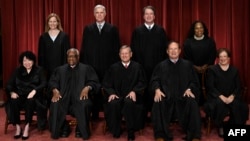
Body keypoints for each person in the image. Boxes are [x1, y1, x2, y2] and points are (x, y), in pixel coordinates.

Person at [150, 41, 201, 141]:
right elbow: (154, 80)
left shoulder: (187, 65)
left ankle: (194, 135)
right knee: (158, 102)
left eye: (175, 49)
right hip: (166, 96)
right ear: (167, 51)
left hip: (183, 96)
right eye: (171, 49)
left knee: (192, 102)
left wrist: (189, 89)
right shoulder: (161, 66)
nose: (173, 51)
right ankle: (160, 135)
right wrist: (157, 89)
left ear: (180, 51)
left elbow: (194, 81)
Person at [48, 48, 100, 140]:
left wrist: (87, 87)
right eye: (69, 57)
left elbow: (95, 82)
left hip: (80, 97)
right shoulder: (60, 70)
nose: (70, 59)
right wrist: (55, 90)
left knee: (85, 104)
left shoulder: (86, 69)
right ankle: (63, 128)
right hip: (63, 97)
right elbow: (53, 81)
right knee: (55, 104)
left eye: (73, 56)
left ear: (78, 57)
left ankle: (80, 129)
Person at [80, 4, 121, 120]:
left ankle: (108, 116)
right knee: (93, 88)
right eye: (97, 13)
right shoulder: (88, 29)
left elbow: (116, 49)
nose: (99, 15)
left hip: (108, 65)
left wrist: (114, 67)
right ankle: (94, 114)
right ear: (94, 14)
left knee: (107, 88)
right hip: (92, 65)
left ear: (105, 14)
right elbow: (85, 48)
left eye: (101, 12)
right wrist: (86, 66)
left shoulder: (112, 29)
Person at [130, 5, 169, 121]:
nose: (148, 16)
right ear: (143, 16)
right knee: (142, 90)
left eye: (151, 14)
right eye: (146, 14)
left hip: (157, 67)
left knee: (156, 88)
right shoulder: (137, 31)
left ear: (154, 16)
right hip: (141, 66)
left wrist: (162, 67)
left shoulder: (160, 31)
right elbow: (134, 50)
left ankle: (156, 115)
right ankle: (142, 115)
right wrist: (137, 67)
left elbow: (164, 50)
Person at [102, 45, 147, 141]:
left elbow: (142, 82)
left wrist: (134, 91)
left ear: (131, 54)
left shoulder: (137, 67)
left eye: (126, 53)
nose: (124, 55)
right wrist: (112, 93)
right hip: (117, 95)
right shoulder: (113, 68)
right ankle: (116, 130)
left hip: (131, 96)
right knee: (113, 103)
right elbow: (106, 84)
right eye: (122, 53)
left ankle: (131, 131)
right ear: (119, 55)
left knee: (129, 102)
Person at [204, 48, 249, 137]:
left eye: (225, 56)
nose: (223, 58)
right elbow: (210, 87)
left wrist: (232, 96)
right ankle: (220, 125)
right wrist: (221, 96)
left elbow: (238, 86)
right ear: (217, 58)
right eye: (220, 56)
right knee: (218, 104)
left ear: (229, 58)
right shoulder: (212, 70)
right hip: (217, 97)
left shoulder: (234, 70)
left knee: (239, 105)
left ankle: (234, 128)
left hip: (231, 96)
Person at [5, 51, 47, 140]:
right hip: (20, 94)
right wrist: (12, 92)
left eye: (29, 60)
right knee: (13, 101)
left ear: (33, 61)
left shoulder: (39, 70)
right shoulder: (17, 70)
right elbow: (9, 84)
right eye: (24, 61)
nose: (27, 63)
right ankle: (18, 127)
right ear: (21, 61)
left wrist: (35, 91)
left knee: (30, 101)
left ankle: (27, 126)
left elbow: (44, 83)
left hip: (34, 96)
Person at [183, 20, 217, 106]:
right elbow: (186, 57)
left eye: (201, 28)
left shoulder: (210, 41)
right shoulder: (188, 42)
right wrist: (195, 67)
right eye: (196, 28)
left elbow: (212, 55)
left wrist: (206, 66)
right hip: (192, 70)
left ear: (204, 29)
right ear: (193, 30)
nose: (199, 30)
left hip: (207, 70)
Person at [38, 13, 71, 80]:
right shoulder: (43, 37)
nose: (52, 23)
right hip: (47, 69)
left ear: (58, 23)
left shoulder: (64, 36)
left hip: (61, 68)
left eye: (54, 21)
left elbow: (67, 54)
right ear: (47, 23)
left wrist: (66, 68)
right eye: (50, 21)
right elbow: (41, 55)